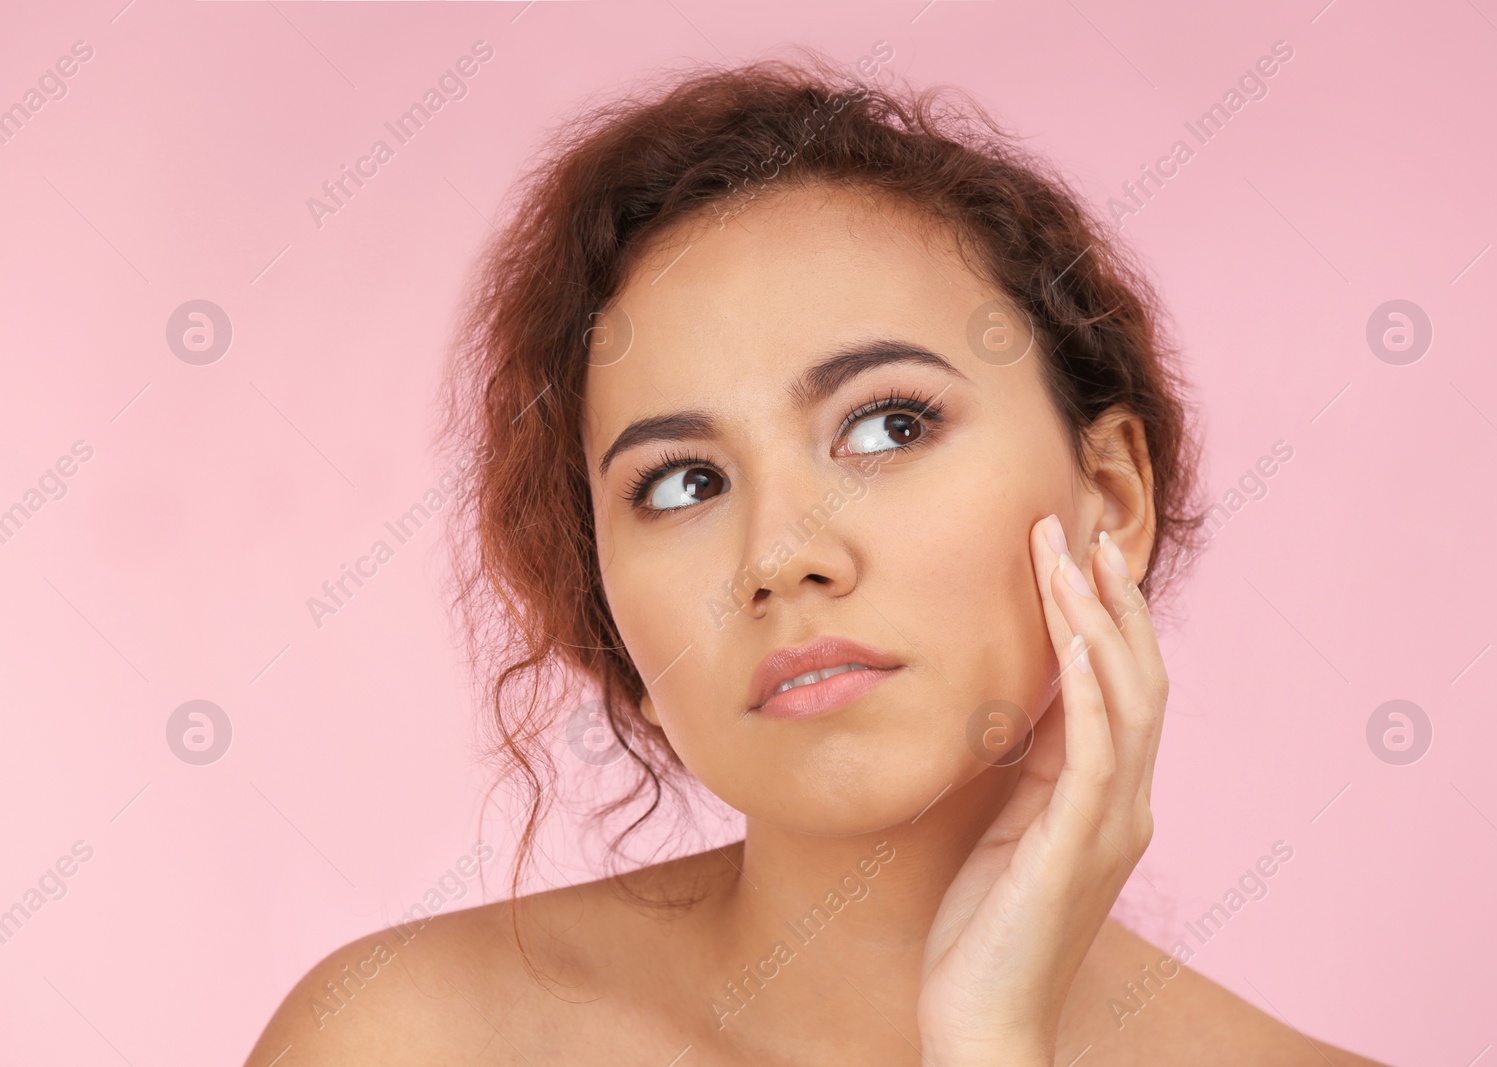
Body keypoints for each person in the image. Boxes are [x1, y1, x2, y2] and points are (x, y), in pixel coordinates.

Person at [245, 53, 1390, 1066]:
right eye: (682, 482)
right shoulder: (400, 1038)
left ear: (1114, 496)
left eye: (888, 424)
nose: (780, 556)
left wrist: (987, 1044)